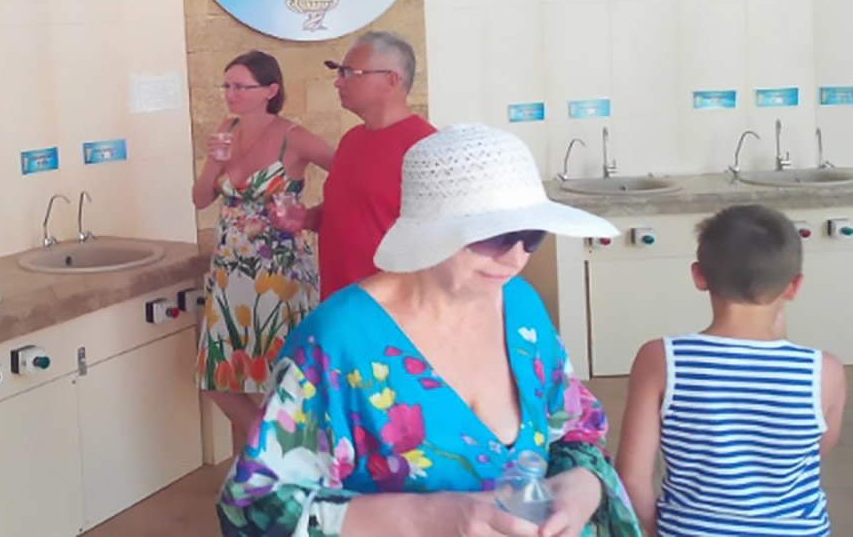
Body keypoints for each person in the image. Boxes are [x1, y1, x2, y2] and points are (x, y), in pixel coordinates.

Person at [219, 123, 643, 537]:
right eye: (496, 236)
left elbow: (575, 429)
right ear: (432, 232)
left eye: (532, 236)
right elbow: (254, 508)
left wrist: (581, 487)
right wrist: (430, 518)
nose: (516, 259)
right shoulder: (337, 344)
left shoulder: (521, 307)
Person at [615, 204, 846, 536]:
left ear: (699, 276)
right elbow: (815, 449)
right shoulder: (824, 372)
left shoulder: (661, 360)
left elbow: (631, 477)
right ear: (794, 286)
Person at [193, 50, 335, 454]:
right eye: (227, 85)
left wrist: (312, 215)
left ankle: (273, 458)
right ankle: (273, 450)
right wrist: (213, 163)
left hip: (280, 271)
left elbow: (350, 173)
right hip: (229, 268)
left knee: (282, 374)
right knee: (219, 378)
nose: (231, 94)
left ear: (270, 90)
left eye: (241, 86)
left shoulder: (295, 136)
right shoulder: (227, 128)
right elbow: (200, 199)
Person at [306, 30, 437, 298]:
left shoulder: (426, 148)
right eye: (339, 72)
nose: (338, 83)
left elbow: (439, 242)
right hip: (339, 301)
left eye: (349, 73)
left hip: (391, 308)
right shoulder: (351, 140)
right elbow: (353, 212)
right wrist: (307, 218)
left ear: (391, 79)